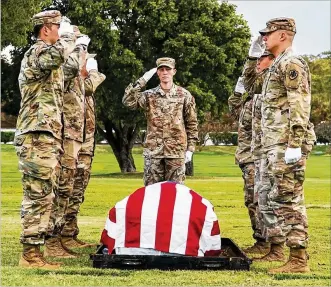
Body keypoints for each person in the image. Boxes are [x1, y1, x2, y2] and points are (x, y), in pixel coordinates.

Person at [14, 10, 75, 269]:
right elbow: (58, 55)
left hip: (46, 135)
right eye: (58, 27)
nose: (61, 33)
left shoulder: (48, 56)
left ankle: (36, 251)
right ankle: (30, 255)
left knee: (45, 194)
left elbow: (70, 68)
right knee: (37, 195)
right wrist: (71, 39)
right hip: (35, 135)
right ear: (46, 29)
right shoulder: (37, 52)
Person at [254, 17, 315, 273]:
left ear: (283, 35)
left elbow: (299, 103)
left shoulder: (291, 63)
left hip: (286, 144)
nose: (263, 38)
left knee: (289, 198)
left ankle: (299, 260)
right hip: (274, 144)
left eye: (268, 34)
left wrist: (295, 143)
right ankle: (283, 251)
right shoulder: (277, 64)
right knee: (275, 197)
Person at [44, 26, 91, 258]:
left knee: (68, 188)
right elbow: (73, 67)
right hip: (64, 135)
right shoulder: (63, 64)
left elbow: (86, 80)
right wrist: (77, 45)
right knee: (60, 188)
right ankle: (52, 241)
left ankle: (61, 236)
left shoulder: (73, 69)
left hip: (74, 136)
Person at [123, 57, 198, 186]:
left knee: (176, 194)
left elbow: (191, 123)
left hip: (176, 152)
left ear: (174, 71)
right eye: (161, 70)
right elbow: (128, 102)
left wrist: (190, 148)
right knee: (151, 195)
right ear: (157, 73)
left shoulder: (184, 95)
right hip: (154, 153)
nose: (165, 72)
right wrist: (142, 81)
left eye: (167, 69)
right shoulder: (148, 95)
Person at [231, 43, 275, 256]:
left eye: (263, 58)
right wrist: (238, 90)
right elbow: (233, 108)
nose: (258, 63)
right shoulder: (250, 95)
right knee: (251, 200)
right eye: (257, 59)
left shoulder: (269, 88)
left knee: (264, 199)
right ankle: (260, 239)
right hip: (247, 155)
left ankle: (270, 242)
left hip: (262, 155)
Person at [100, 181, 221, 257]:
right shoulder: (202, 206)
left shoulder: (125, 204)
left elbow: (107, 240)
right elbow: (213, 249)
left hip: (130, 252)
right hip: (185, 254)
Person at [60, 54, 106, 249]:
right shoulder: (72, 80)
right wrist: (96, 73)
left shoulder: (82, 81)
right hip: (71, 143)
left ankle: (69, 233)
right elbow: (89, 87)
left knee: (78, 190)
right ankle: (59, 236)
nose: (89, 63)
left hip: (85, 144)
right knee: (66, 189)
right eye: (87, 59)